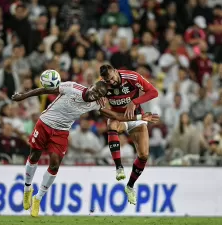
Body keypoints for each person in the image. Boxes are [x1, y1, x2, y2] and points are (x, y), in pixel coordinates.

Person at [11, 80, 159, 217]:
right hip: (44, 123)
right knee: (34, 156)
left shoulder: (96, 103)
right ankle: (27, 189)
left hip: (62, 131)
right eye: (94, 91)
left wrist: (140, 118)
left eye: (98, 95)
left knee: (55, 164)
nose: (94, 95)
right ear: (91, 86)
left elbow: (115, 116)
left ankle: (38, 198)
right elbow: (46, 90)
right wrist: (23, 96)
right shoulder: (71, 87)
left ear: (101, 97)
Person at [99, 64, 158, 205]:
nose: (111, 82)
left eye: (112, 78)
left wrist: (134, 102)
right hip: (120, 117)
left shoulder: (132, 77)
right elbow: (103, 111)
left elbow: (153, 92)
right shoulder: (101, 86)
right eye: (108, 81)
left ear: (115, 70)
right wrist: (100, 102)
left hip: (136, 115)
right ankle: (119, 167)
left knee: (144, 155)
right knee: (111, 124)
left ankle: (130, 186)